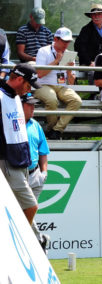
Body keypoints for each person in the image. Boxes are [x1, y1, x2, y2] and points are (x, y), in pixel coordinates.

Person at [0, 63, 41, 225]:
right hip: (7, 160)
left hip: (21, 161)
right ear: (18, 79)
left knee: (14, 207)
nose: (29, 89)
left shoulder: (17, 97)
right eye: (28, 85)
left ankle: (34, 241)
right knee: (31, 206)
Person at [35, 27, 82, 140]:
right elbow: (40, 74)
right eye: (64, 41)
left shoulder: (69, 55)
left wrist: (69, 70)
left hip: (61, 86)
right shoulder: (43, 51)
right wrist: (56, 61)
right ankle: (52, 130)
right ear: (55, 39)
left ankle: (56, 130)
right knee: (51, 99)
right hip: (43, 85)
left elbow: (71, 82)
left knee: (77, 101)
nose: (66, 44)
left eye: (68, 41)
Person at [21, 92, 50, 252]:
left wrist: (44, 173)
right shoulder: (12, 124)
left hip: (35, 174)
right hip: (17, 174)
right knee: (24, 210)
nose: (33, 108)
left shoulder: (36, 125)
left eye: (34, 105)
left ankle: (34, 242)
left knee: (26, 210)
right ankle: (39, 239)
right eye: (29, 105)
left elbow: (43, 151)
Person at [74, 3, 102, 84]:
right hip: (90, 63)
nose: (96, 16)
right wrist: (89, 62)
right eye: (94, 15)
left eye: (99, 14)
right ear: (91, 16)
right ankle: (94, 95)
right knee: (93, 72)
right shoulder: (85, 30)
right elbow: (79, 48)